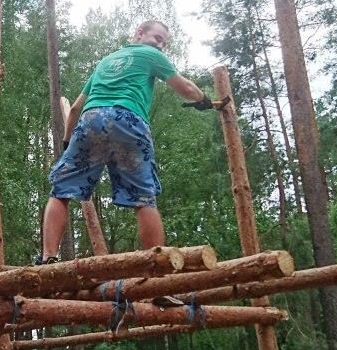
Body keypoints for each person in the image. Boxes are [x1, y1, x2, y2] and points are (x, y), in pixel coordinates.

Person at [39, 20, 226, 263]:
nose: (160, 45)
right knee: (144, 197)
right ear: (139, 33)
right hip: (129, 121)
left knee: (61, 190)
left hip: (91, 120)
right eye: (157, 38)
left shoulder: (105, 62)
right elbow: (187, 88)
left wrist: (67, 143)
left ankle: (48, 258)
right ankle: (158, 266)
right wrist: (203, 100)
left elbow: (74, 109)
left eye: (164, 42)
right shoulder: (151, 55)